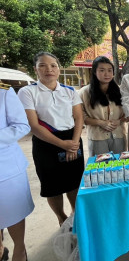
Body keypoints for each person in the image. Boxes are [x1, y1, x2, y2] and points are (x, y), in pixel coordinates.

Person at [18, 52, 84, 227]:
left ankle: (75, 214)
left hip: (72, 138)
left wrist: (74, 143)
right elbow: (33, 125)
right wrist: (63, 144)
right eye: (43, 65)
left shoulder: (70, 91)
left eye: (53, 65)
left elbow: (78, 118)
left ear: (59, 69)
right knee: (52, 185)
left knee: (74, 182)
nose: (49, 69)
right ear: (35, 69)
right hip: (46, 142)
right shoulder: (28, 92)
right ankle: (61, 217)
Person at [0, 84, 34, 261]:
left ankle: (20, 251)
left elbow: (22, 126)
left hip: (5, 169)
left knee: (12, 213)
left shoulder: (4, 93)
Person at [79, 56, 127, 156]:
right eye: (102, 70)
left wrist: (119, 121)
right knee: (101, 168)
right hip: (97, 138)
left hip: (118, 136)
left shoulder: (121, 91)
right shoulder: (85, 92)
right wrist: (100, 122)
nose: (107, 74)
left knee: (120, 167)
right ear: (94, 71)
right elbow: (80, 116)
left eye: (110, 70)